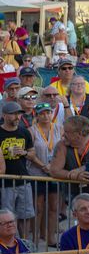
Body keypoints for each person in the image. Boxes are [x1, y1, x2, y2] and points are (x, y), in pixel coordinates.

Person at [0, 101, 37, 238]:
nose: (17, 117)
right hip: (5, 183)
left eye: (19, 114)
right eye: (13, 114)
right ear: (4, 115)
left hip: (23, 180)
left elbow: (32, 154)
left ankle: (24, 243)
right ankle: (9, 245)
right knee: (6, 217)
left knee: (26, 215)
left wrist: (24, 153)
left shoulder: (24, 132)